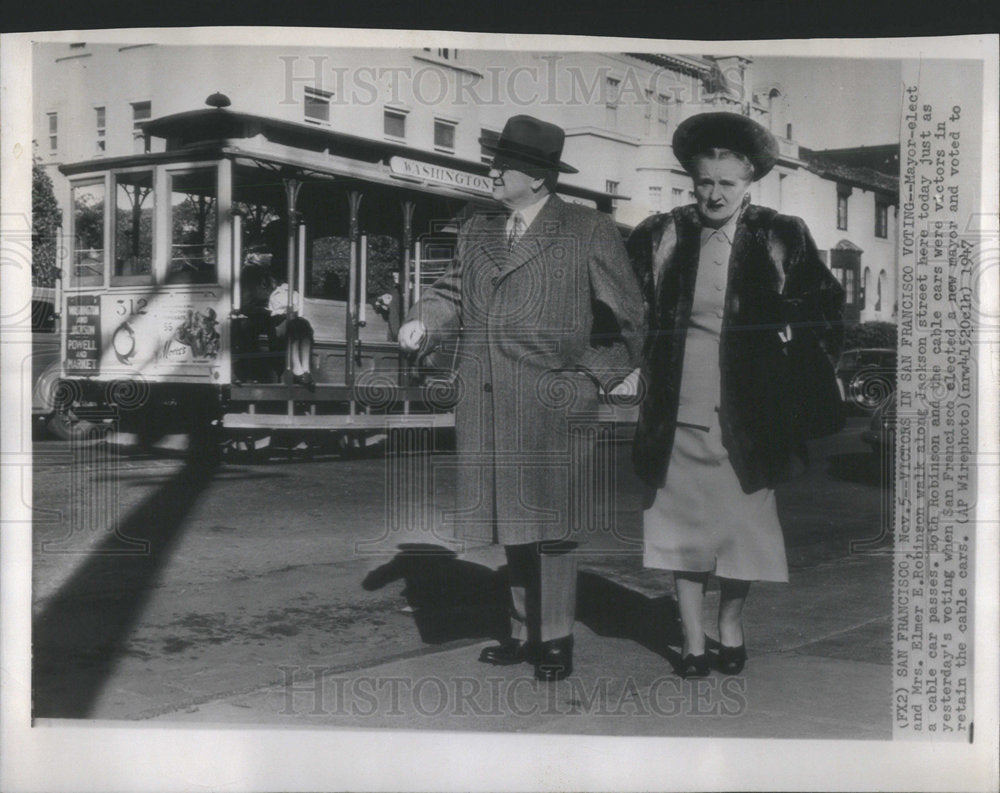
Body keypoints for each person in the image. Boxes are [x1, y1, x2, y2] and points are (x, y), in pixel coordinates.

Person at [399, 115, 645, 682]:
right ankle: (518, 630)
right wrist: (424, 324)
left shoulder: (588, 229)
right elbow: (449, 292)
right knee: (510, 519)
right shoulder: (478, 229)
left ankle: (555, 637)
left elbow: (629, 314)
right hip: (486, 397)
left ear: (536, 178)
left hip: (555, 401)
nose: (492, 171)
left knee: (553, 524)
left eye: (502, 164)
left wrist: (595, 375)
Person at [627, 112, 845, 678]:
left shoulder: (781, 234)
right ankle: (694, 641)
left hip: (749, 414)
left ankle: (730, 622)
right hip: (676, 411)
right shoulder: (661, 234)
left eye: (727, 183)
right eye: (705, 182)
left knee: (741, 534)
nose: (715, 194)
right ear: (691, 181)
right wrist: (621, 367)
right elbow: (626, 311)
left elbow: (824, 307)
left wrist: (796, 343)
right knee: (683, 534)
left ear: (749, 182)